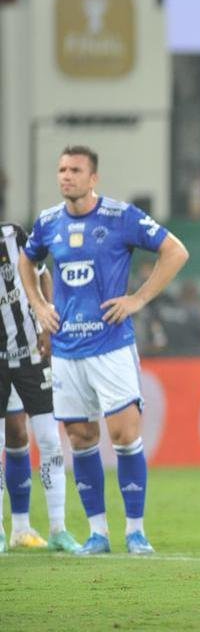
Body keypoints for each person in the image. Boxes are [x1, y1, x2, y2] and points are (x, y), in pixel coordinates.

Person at [19, 145, 190, 556]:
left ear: (93, 178)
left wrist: (138, 299)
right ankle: (98, 533)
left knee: (124, 434)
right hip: (66, 349)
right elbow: (27, 261)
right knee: (80, 437)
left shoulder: (120, 217)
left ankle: (135, 531)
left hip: (111, 345)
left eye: (75, 170)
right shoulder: (47, 223)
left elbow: (175, 251)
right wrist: (40, 307)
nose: (66, 176)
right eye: (61, 169)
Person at [2, 221, 80, 553]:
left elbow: (43, 273)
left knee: (49, 441)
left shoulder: (13, 235)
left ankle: (59, 529)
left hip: (33, 354)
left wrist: (48, 320)